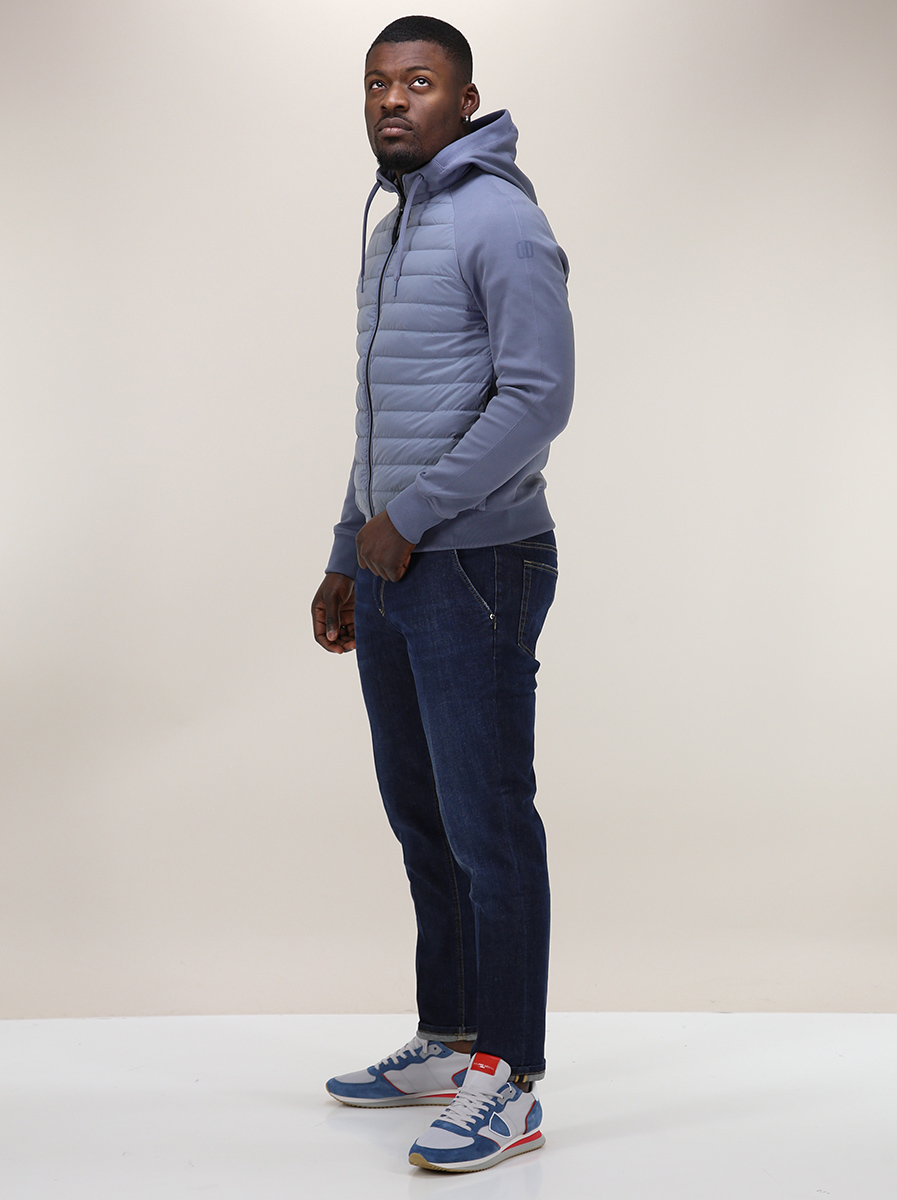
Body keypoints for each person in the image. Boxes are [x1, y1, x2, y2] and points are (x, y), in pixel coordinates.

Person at [310, 15, 574, 1174]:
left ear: (466, 101)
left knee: (488, 827)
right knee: (423, 818)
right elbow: (387, 416)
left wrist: (409, 518)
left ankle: (509, 1080)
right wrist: (345, 550)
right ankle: (453, 1031)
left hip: (475, 563)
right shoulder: (394, 228)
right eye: (377, 83)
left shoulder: (500, 220)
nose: (392, 100)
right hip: (393, 567)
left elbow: (538, 397)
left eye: (418, 82)